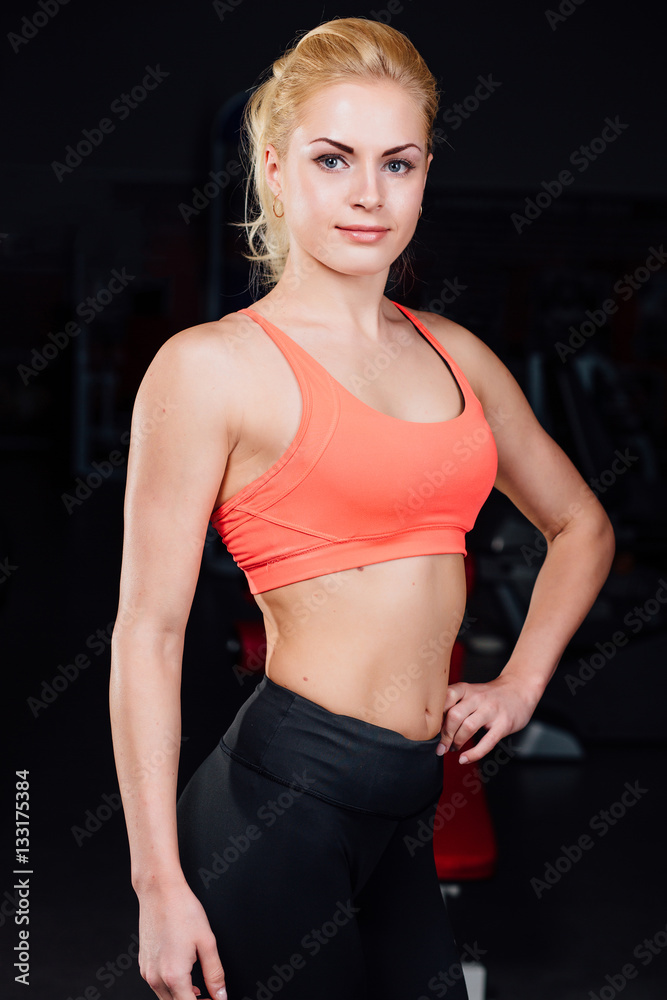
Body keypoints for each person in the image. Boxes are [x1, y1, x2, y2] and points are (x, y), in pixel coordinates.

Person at [109, 16, 615, 1000]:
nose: (369, 195)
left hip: (404, 805)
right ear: (274, 165)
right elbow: (148, 630)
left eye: (399, 162)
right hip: (277, 802)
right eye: (333, 158)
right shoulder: (212, 367)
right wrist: (157, 881)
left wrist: (516, 687)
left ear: (426, 174)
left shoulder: (455, 356)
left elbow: (581, 527)